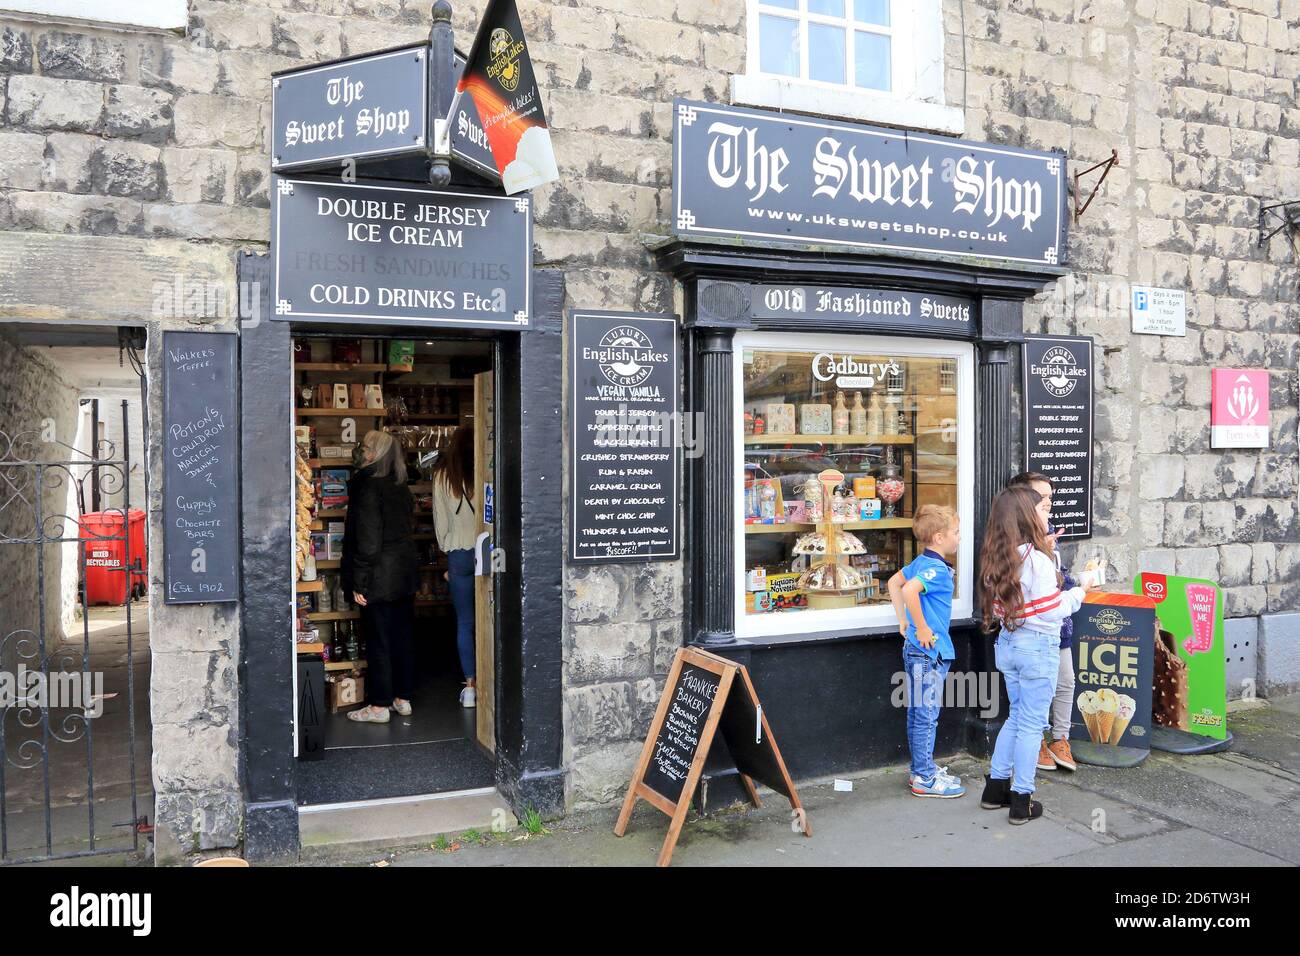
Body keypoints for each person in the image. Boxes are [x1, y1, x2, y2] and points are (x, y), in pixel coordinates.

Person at [978, 486, 1088, 824]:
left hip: (1009, 645)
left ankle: (996, 788)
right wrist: (1082, 590)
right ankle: (1021, 799)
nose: (1047, 514)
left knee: (1016, 717)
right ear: (1026, 517)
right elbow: (1051, 611)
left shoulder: (999, 555)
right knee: (1031, 724)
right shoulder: (1036, 560)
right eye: (1041, 509)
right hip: (1037, 648)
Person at [340, 430, 419, 723]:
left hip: (378, 575)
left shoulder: (368, 485)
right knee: (403, 636)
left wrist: (359, 580)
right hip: (403, 572)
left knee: (379, 639)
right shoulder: (400, 484)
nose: (361, 450)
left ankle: (379, 705)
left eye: (365, 446)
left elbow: (369, 540)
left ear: (373, 453)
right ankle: (403, 697)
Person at [888, 504, 964, 798]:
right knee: (926, 715)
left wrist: (903, 621)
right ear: (939, 537)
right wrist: (919, 627)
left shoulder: (921, 562)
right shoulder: (937, 570)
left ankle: (921, 769)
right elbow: (907, 591)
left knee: (918, 712)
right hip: (929, 653)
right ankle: (925, 777)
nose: (959, 537)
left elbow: (896, 582)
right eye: (955, 533)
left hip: (917, 651)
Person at [1008, 471, 1078, 773]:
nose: (1048, 502)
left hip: (1058, 623)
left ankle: (1060, 739)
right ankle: (1034, 740)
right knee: (1033, 691)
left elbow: (1058, 577)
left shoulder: (1048, 530)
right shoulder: (1014, 539)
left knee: (1066, 681)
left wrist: (1076, 581)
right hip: (1032, 629)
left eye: (1050, 496)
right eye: (1041, 497)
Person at [433, 424, 478, 708]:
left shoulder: (442, 476)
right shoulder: (487, 470)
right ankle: (494, 678)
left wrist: (446, 548)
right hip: (489, 550)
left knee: (465, 622)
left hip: (459, 553)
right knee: (494, 619)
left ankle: (470, 687)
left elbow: (440, 522)